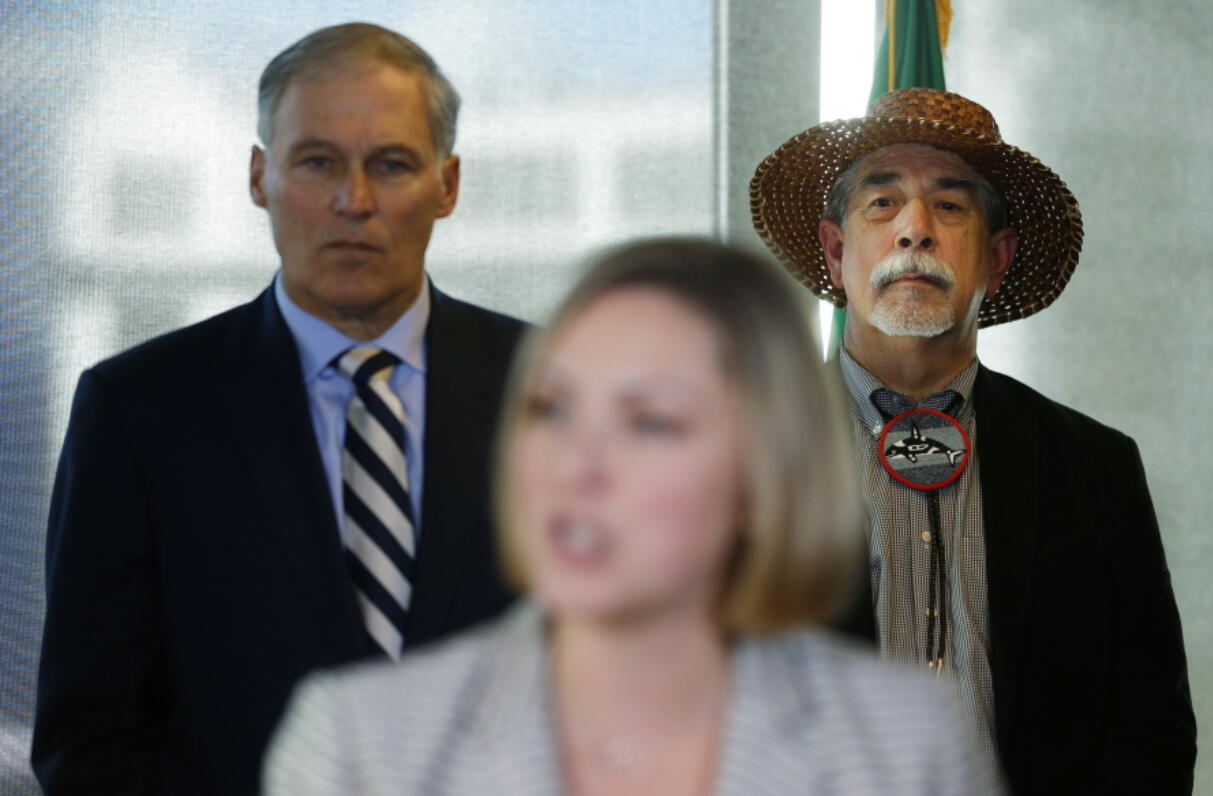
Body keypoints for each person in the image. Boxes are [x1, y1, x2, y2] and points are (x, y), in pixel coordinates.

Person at [263, 238, 1001, 795]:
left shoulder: (905, 741)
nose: (575, 466)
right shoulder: (356, 742)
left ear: (760, 472)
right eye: (551, 409)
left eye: (650, 421)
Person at [32, 23, 525, 795]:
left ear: (447, 184)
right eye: (318, 160)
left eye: (390, 164)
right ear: (260, 175)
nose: (352, 200)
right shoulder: (138, 411)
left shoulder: (562, 393)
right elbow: (89, 741)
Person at [750, 87, 1197, 794]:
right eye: (882, 203)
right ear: (837, 252)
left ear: (997, 256)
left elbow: (1149, 728)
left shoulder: (1095, 465)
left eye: (950, 206)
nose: (915, 230)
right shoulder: (736, 450)